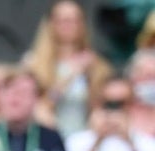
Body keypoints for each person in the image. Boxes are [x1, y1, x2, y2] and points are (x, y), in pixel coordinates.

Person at [24, 0, 112, 138]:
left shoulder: (96, 65)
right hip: (49, 135)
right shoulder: (34, 64)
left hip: (84, 137)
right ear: (51, 23)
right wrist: (70, 75)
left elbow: (98, 108)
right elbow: (38, 107)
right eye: (63, 20)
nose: (69, 26)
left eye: (75, 20)